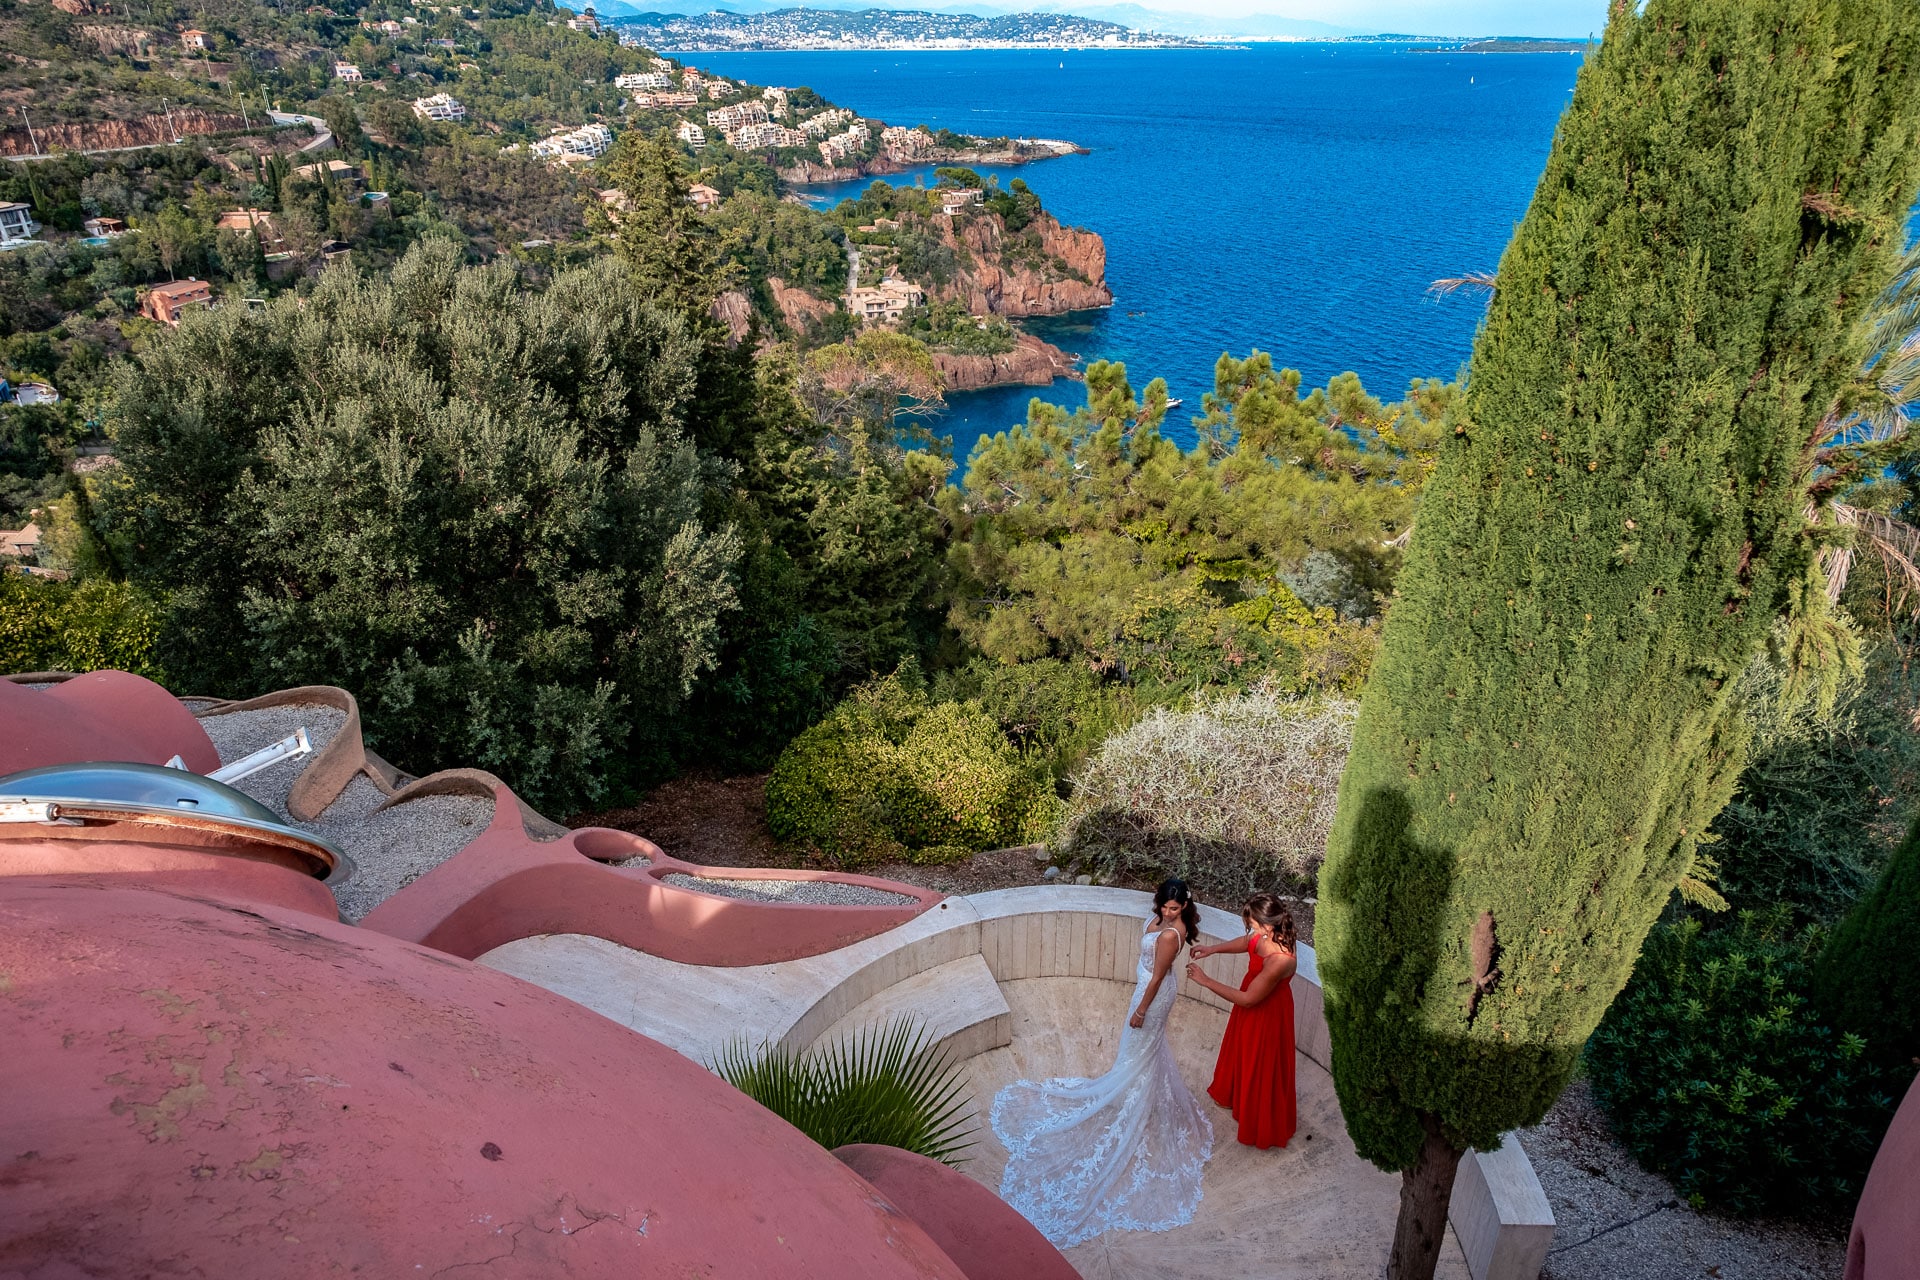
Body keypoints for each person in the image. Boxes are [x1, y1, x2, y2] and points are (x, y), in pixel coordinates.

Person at [990, 878, 1215, 1248]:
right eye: (1165, 906)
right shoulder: (1158, 923)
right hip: (1144, 990)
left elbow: (1158, 977)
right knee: (1137, 1052)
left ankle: (1134, 1106)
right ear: (1159, 901)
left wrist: (1142, 1009)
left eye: (1176, 909)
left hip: (1152, 997)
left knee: (1140, 1049)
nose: (1168, 913)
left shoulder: (1172, 936)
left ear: (1185, 908)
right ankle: (1130, 1094)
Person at [1186, 893, 1298, 1150]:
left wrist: (1206, 981)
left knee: (1260, 1063)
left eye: (1254, 925)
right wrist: (1213, 949)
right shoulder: (1267, 932)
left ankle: (1259, 1123)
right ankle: (1236, 1097)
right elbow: (1248, 943)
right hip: (1251, 997)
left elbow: (1248, 1000)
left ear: (1268, 925)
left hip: (1267, 1013)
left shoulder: (1281, 959)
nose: (1251, 930)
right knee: (1242, 1052)